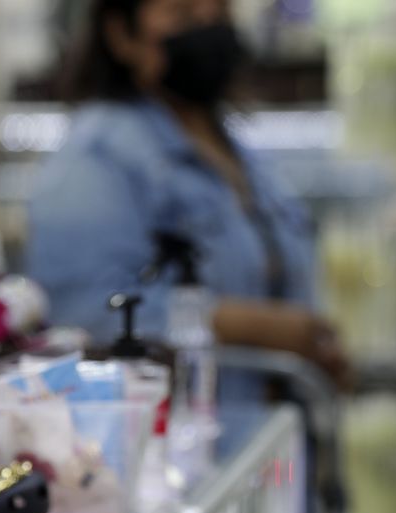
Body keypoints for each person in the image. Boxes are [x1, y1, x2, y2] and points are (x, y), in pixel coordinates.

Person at [26, 0, 349, 444]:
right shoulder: (97, 157)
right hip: (183, 453)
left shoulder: (231, 146)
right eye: (180, 12)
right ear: (121, 35)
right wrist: (259, 328)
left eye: (217, 11)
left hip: (270, 448)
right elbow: (85, 311)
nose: (205, 26)